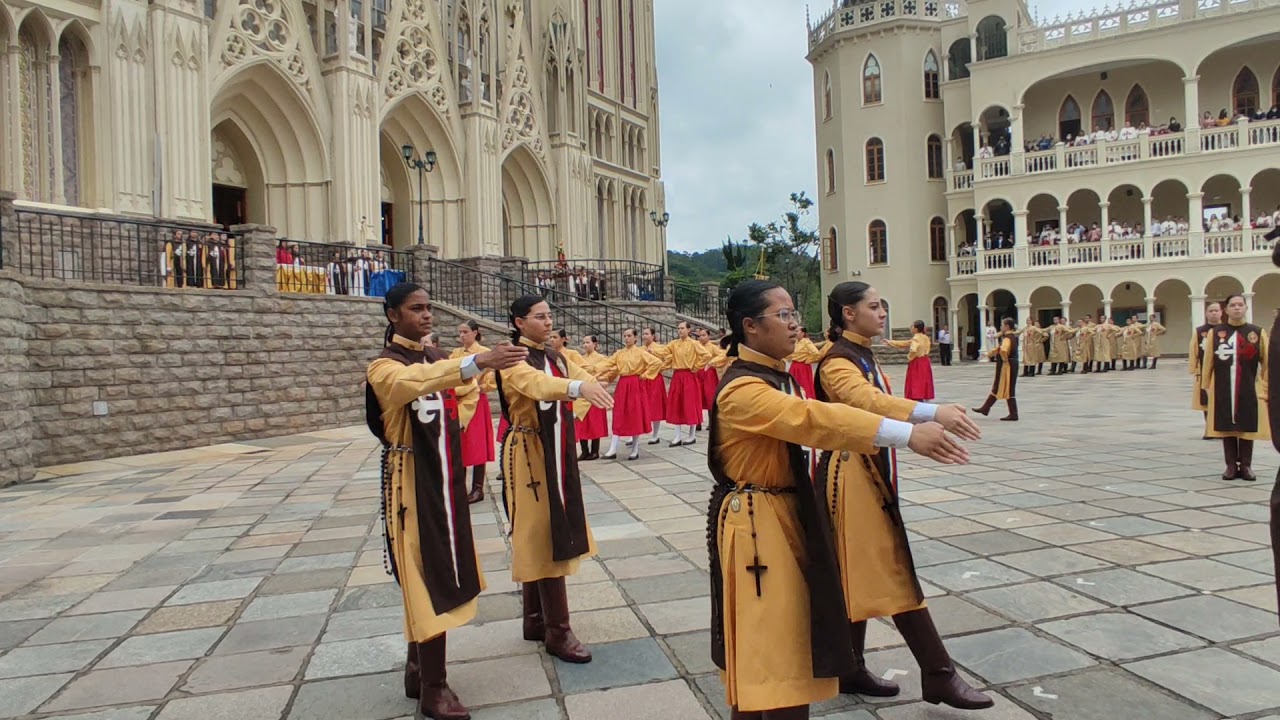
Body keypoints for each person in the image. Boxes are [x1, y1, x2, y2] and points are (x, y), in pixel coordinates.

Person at [706, 280, 970, 720]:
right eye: (784, 315)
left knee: (789, 644)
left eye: (794, 313)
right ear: (750, 327)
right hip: (757, 525)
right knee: (769, 649)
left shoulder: (772, 374)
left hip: (783, 512)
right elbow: (815, 418)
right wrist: (909, 431)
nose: (796, 325)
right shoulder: (742, 389)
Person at [816, 283, 990, 709]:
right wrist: (930, 413)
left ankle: (850, 667)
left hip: (865, 469)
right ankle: (938, 673)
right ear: (848, 313)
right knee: (890, 565)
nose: (881, 312)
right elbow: (868, 401)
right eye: (873, 306)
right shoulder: (837, 362)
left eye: (882, 305)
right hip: (849, 475)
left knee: (857, 570)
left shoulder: (858, 353)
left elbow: (879, 400)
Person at [365, 283, 528, 719]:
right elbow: (409, 384)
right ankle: (434, 687)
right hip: (410, 479)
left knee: (441, 566)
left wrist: (452, 428)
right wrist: (477, 361)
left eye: (428, 308)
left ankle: (419, 667)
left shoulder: (439, 358)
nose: (426, 316)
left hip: (440, 473)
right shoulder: (384, 366)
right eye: (415, 309)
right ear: (392, 315)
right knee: (421, 574)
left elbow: (466, 391)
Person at [496, 296, 615, 663]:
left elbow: (582, 379)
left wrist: (584, 391)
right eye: (540, 317)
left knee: (549, 529)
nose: (549, 323)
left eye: (550, 316)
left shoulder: (557, 357)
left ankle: (535, 619)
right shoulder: (513, 359)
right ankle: (558, 631)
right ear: (519, 322)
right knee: (539, 532)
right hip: (529, 448)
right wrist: (576, 390)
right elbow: (536, 385)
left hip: (554, 444)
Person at [1201, 293, 1269, 481]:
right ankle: (1230, 465)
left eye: (1240, 304)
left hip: (1248, 386)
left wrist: (1266, 387)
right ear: (1226, 309)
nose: (1237, 308)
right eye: (1233, 305)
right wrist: (1205, 385)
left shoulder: (1257, 332)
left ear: (1246, 308)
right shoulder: (1216, 333)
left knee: (1247, 425)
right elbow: (1207, 362)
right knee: (1226, 426)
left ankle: (1246, 465)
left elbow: (1267, 363)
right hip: (1223, 387)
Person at [597, 328, 664, 461]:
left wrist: (645, 375)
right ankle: (613, 448)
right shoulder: (619, 354)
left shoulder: (641, 352)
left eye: (629, 336)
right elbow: (607, 365)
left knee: (635, 414)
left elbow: (656, 362)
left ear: (635, 338)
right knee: (619, 413)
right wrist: (595, 374)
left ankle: (635, 448)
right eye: (625, 336)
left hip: (635, 384)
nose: (626, 338)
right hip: (623, 384)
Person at [449, 321, 497, 504]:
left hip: (476, 401)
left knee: (476, 443)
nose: (462, 335)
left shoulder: (484, 353)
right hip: (458, 400)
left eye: (465, 332)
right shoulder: (455, 354)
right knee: (459, 443)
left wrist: (482, 386)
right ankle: (459, 486)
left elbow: (492, 376)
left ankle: (478, 488)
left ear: (475, 333)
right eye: (460, 332)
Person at [653, 321, 714, 446]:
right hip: (677, 375)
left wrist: (696, 367)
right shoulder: (674, 344)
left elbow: (707, 355)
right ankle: (677, 436)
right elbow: (664, 351)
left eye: (682, 328)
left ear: (688, 330)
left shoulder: (694, 343)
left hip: (689, 375)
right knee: (677, 404)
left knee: (690, 404)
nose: (680, 330)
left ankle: (691, 435)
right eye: (678, 328)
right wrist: (652, 349)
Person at [973, 318, 1019, 421]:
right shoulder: (1010, 337)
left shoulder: (1008, 338)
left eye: (1003, 325)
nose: (1001, 327)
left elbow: (1003, 350)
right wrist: (989, 354)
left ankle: (1013, 413)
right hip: (1010, 364)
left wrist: (1004, 358)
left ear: (1007, 326)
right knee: (999, 386)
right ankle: (986, 408)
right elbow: (999, 349)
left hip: (1008, 366)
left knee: (1007, 387)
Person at [575, 335, 611, 461]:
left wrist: (600, 380)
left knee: (595, 423)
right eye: (583, 342)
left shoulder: (602, 359)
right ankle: (584, 451)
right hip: (583, 393)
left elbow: (607, 374)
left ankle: (595, 450)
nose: (585, 345)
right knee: (582, 422)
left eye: (588, 342)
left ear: (595, 344)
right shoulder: (580, 359)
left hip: (595, 392)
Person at [1191, 302, 1222, 435]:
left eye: (1216, 310)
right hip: (1205, 370)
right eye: (1211, 311)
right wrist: (1194, 368)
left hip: (1223, 370)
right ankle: (1209, 429)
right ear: (1206, 313)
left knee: (1221, 400)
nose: (1214, 313)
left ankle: (1221, 428)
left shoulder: (1226, 329)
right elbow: (1194, 349)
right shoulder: (1200, 331)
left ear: (1221, 312)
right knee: (1206, 400)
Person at [883, 320, 935, 401]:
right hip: (925, 360)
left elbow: (913, 349)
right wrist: (891, 342)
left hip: (917, 361)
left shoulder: (916, 338)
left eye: (912, 326)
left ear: (916, 329)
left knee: (916, 380)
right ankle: (923, 394)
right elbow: (905, 343)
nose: (911, 328)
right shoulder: (925, 337)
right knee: (923, 379)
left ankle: (916, 396)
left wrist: (910, 357)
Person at [640, 327, 669, 444]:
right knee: (640, 405)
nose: (645, 336)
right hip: (643, 378)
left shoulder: (659, 348)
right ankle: (635, 434)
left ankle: (655, 434)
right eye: (643, 334)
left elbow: (668, 359)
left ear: (653, 336)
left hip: (655, 379)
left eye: (647, 334)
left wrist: (661, 368)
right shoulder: (640, 349)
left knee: (655, 406)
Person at [785, 328, 823, 400]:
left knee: (804, 385)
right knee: (793, 384)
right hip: (794, 366)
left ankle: (806, 400)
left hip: (802, 367)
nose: (796, 333)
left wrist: (808, 360)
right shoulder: (796, 342)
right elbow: (791, 354)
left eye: (797, 331)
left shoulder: (806, 342)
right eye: (795, 331)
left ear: (803, 333)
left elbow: (816, 354)